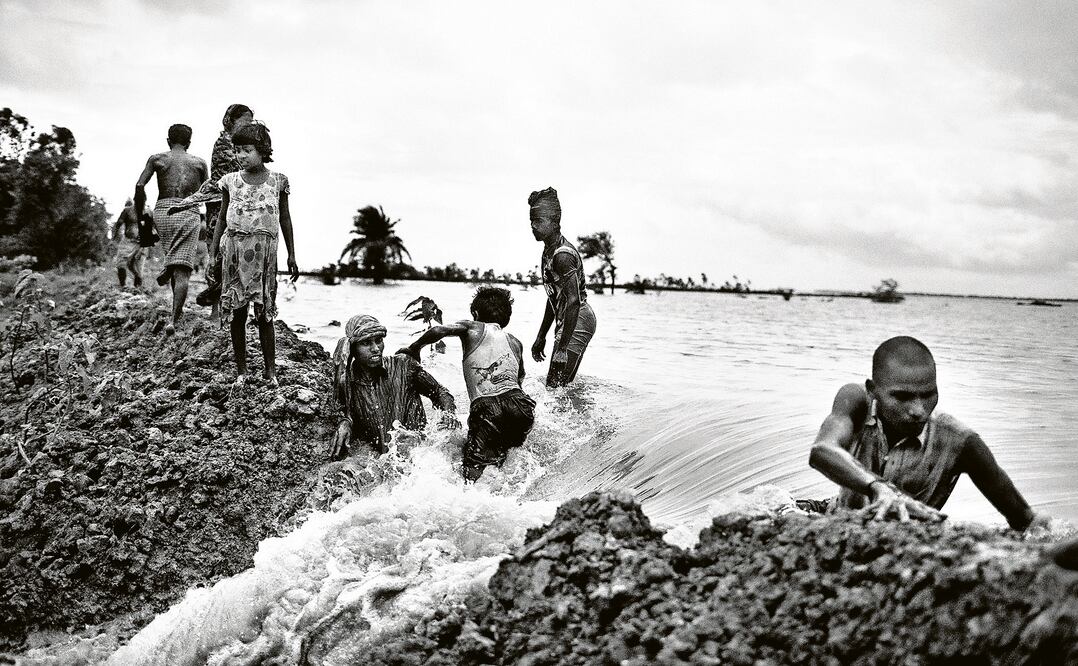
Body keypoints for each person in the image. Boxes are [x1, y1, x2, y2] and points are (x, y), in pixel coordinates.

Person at [807, 336, 1049, 531]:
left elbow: (1025, 519)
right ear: (873, 391)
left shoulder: (961, 442)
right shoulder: (857, 401)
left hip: (906, 536)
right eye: (902, 397)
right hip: (835, 515)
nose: (918, 410)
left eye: (928, 394)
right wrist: (879, 487)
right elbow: (822, 451)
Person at [402, 287, 536, 481]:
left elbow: (439, 330)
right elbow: (519, 378)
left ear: (475, 314)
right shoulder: (515, 342)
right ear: (507, 317)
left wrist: (414, 348)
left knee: (473, 469)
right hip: (520, 406)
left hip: (487, 406)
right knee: (505, 455)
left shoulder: (473, 327)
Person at [209, 122, 298, 387]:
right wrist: (213, 254)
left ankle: (270, 371)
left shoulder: (278, 182)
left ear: (262, 150)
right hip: (234, 254)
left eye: (247, 150)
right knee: (237, 312)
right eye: (237, 151)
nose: (241, 156)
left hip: (264, 257)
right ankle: (241, 371)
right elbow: (222, 221)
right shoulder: (230, 182)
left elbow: (285, 217)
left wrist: (292, 254)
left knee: (264, 314)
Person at [329, 314, 460, 458]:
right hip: (382, 460)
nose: (375, 349)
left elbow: (439, 391)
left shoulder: (404, 365)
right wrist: (345, 422)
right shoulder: (347, 382)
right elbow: (343, 412)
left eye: (378, 341)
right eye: (366, 343)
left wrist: (449, 414)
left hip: (421, 455)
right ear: (352, 348)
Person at [134, 124, 208, 334]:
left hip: (163, 212)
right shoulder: (199, 163)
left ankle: (168, 269)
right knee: (183, 269)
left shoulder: (157, 159)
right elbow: (208, 192)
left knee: (174, 258)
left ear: (168, 140)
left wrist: (142, 221)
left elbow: (139, 186)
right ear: (189, 142)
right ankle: (173, 319)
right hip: (188, 211)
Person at [528, 187, 597, 387]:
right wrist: (541, 336)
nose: (533, 226)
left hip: (577, 318)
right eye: (531, 221)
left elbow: (573, 301)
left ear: (555, 222)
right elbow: (554, 298)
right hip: (569, 317)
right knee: (562, 387)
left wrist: (562, 347)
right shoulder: (548, 251)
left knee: (555, 386)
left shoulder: (562, 255)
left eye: (538, 220)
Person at [109, 198, 147, 288]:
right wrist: (113, 238)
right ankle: (123, 286)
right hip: (128, 241)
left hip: (141, 243)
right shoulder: (127, 211)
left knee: (137, 268)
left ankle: (137, 290)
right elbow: (119, 223)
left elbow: (151, 228)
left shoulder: (147, 212)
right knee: (121, 263)